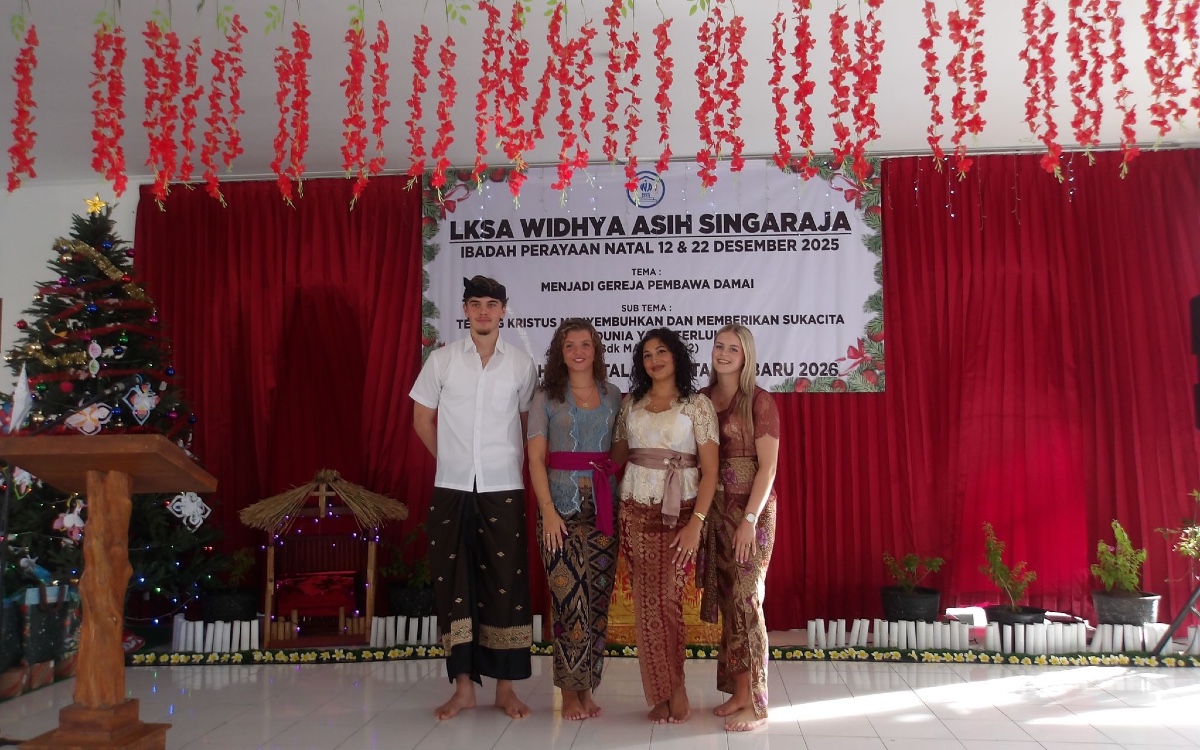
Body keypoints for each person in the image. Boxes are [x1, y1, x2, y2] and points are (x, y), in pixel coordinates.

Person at [409, 275, 539, 720]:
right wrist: (453, 460)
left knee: (507, 585)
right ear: (464, 310)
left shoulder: (523, 365)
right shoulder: (442, 361)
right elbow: (422, 419)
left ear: (504, 310)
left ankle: (505, 689)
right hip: (452, 488)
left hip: (504, 487)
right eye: (475, 304)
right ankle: (463, 687)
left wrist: (500, 461)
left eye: (492, 304)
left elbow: (527, 427)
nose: (484, 312)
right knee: (454, 586)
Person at [610, 327, 719, 724]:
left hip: (681, 513)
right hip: (634, 509)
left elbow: (710, 472)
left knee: (668, 603)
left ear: (676, 357)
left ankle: (677, 686)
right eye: (646, 355)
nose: (654, 360)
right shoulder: (632, 404)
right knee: (646, 605)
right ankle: (660, 691)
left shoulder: (697, 405)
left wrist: (698, 524)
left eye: (662, 352)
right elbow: (618, 453)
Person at [526, 318, 622, 720]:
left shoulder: (613, 394)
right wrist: (547, 511)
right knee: (569, 600)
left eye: (586, 344)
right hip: (559, 510)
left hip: (603, 510)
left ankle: (588, 687)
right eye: (570, 345)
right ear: (560, 353)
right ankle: (568, 690)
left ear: (596, 349)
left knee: (596, 601)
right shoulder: (546, 396)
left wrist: (609, 473)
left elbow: (621, 448)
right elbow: (534, 458)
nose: (579, 351)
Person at [699, 324, 780, 732]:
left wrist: (749, 519)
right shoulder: (702, 399)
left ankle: (758, 704)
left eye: (733, 348)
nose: (724, 353)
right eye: (719, 346)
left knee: (749, 600)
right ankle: (739, 692)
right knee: (730, 602)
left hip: (752, 513)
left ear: (746, 356)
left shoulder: (759, 401)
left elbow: (768, 468)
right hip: (714, 510)